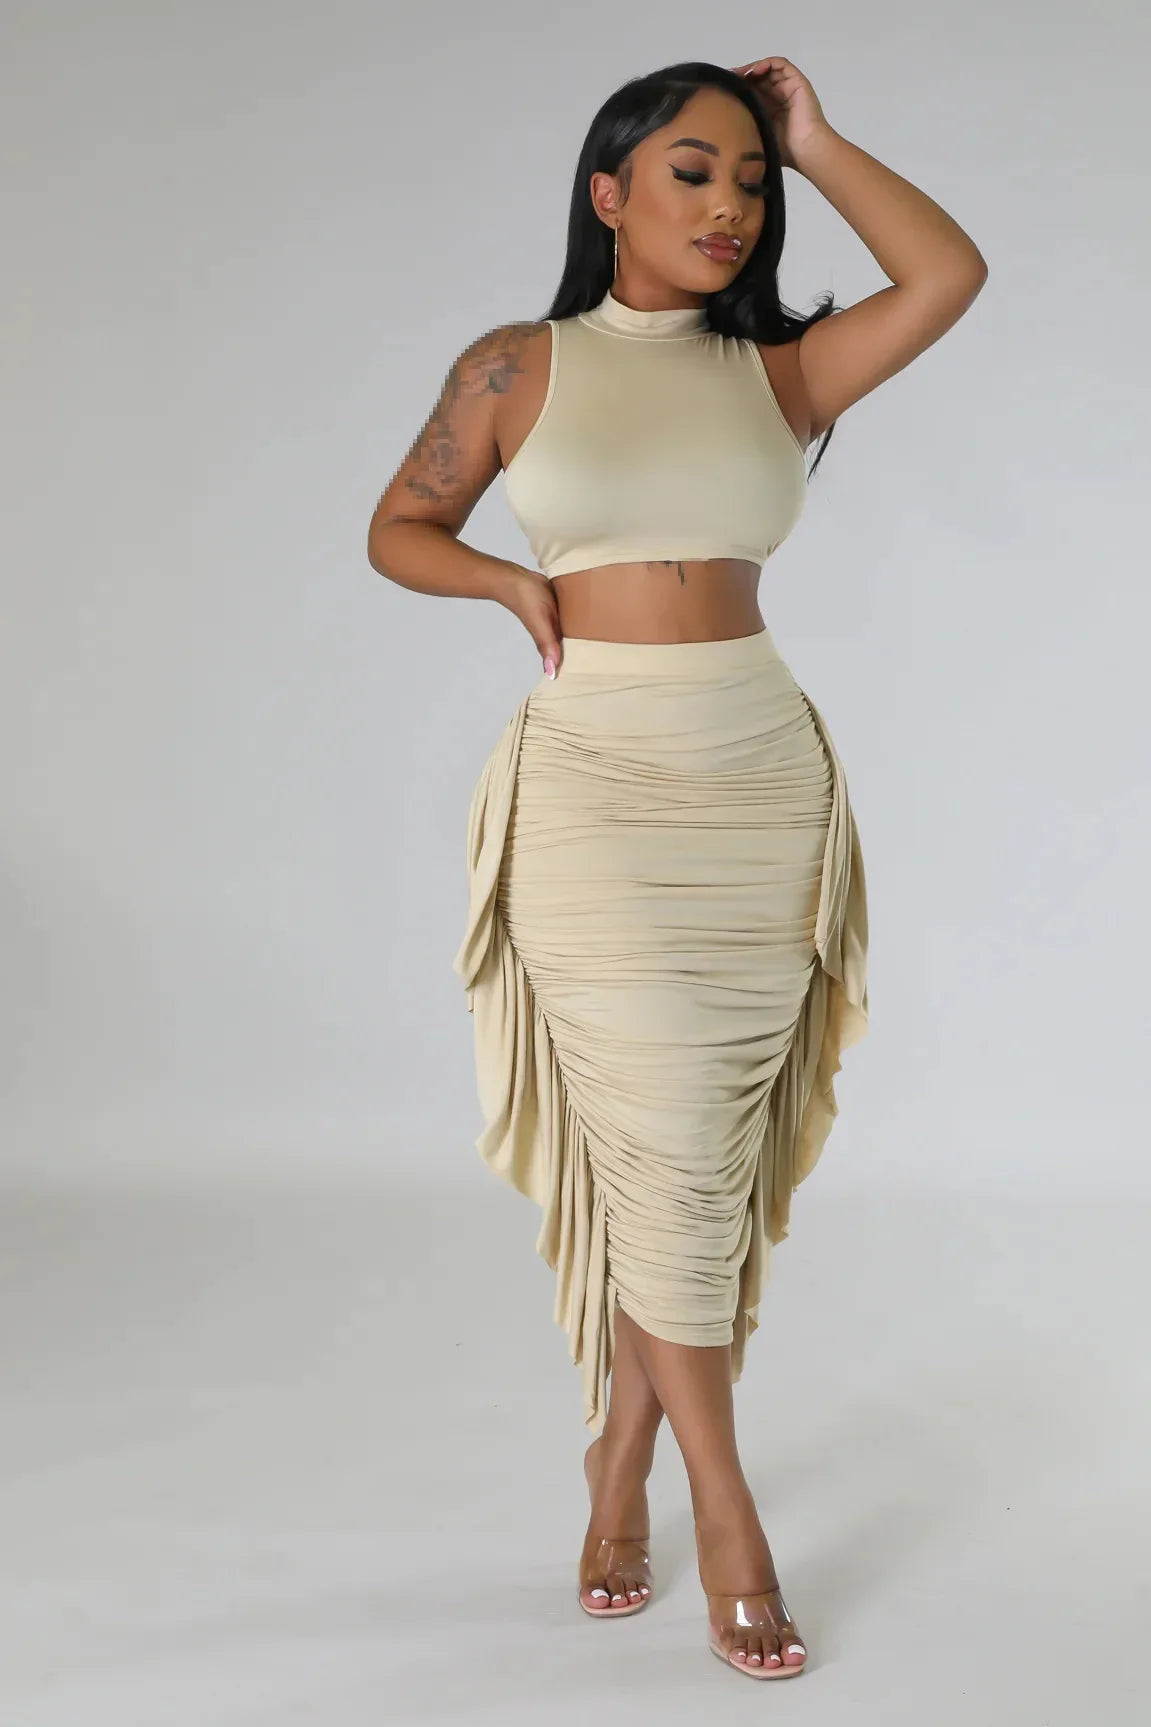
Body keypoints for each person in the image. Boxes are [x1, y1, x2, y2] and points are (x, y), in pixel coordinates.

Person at [368, 56, 986, 1682]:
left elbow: (948, 275)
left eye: (750, 184)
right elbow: (398, 528)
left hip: (756, 779)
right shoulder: (518, 363)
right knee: (661, 1153)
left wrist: (819, 140)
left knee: (694, 1167)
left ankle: (620, 1460)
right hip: (591, 785)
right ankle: (728, 1510)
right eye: (694, 173)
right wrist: (510, 586)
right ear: (609, 193)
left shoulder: (779, 374)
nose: (731, 208)